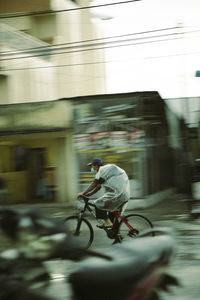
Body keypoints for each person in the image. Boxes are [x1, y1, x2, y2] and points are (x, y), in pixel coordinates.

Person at [77, 158, 130, 228]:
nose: (91, 168)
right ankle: (117, 235)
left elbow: (94, 184)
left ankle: (107, 222)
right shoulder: (104, 172)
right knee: (111, 215)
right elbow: (98, 187)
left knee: (98, 203)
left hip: (117, 194)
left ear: (96, 165)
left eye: (92, 166)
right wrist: (88, 194)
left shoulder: (102, 170)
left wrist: (83, 193)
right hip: (121, 194)